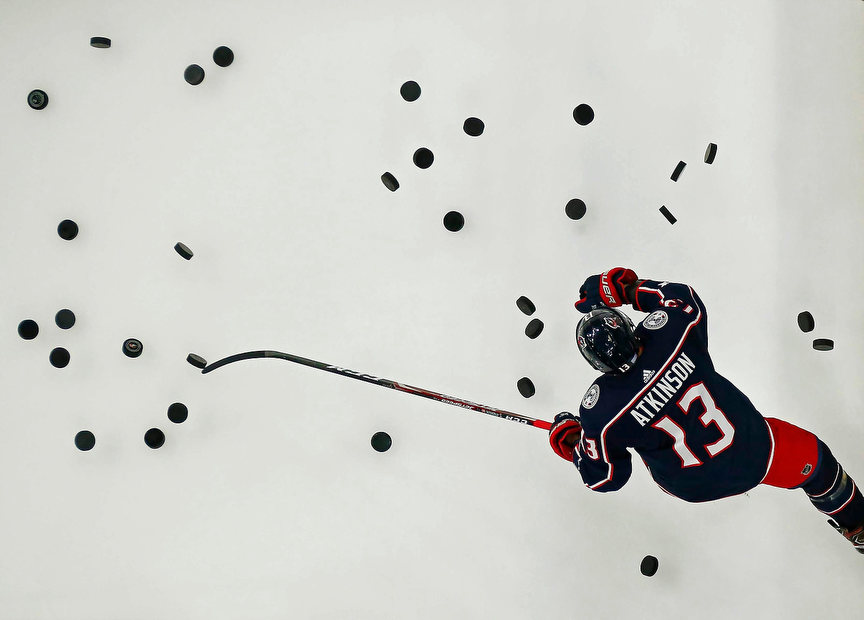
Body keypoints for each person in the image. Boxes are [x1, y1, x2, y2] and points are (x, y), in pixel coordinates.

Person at [548, 268, 864, 554]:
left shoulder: (601, 413)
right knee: (820, 467)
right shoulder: (674, 331)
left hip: (691, 484)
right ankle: (858, 526)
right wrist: (625, 291)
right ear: (630, 330)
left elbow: (605, 477)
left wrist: (578, 444)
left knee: (634, 435)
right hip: (754, 451)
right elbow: (682, 296)